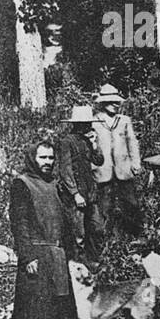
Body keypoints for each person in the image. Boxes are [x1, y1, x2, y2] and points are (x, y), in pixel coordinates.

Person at [9, 138, 79, 319]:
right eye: (43, 158)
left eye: (51, 158)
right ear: (33, 158)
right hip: (37, 254)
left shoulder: (55, 184)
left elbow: (64, 222)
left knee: (61, 305)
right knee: (39, 309)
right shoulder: (22, 184)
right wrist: (28, 257)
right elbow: (20, 224)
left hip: (57, 253)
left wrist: (72, 254)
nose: (47, 162)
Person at [92, 84, 143, 237]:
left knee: (131, 203)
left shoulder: (124, 120)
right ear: (102, 103)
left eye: (116, 102)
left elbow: (132, 142)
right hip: (103, 170)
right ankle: (108, 239)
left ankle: (136, 236)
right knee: (105, 205)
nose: (115, 105)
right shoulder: (95, 121)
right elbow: (91, 148)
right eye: (110, 102)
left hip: (124, 169)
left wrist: (136, 163)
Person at [55, 104, 104, 257]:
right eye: (86, 123)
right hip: (75, 195)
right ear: (78, 124)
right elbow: (65, 169)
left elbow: (99, 161)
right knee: (78, 233)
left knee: (97, 227)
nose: (89, 126)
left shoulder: (88, 140)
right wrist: (75, 193)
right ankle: (79, 264)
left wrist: (95, 144)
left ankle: (95, 259)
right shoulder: (66, 142)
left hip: (90, 192)